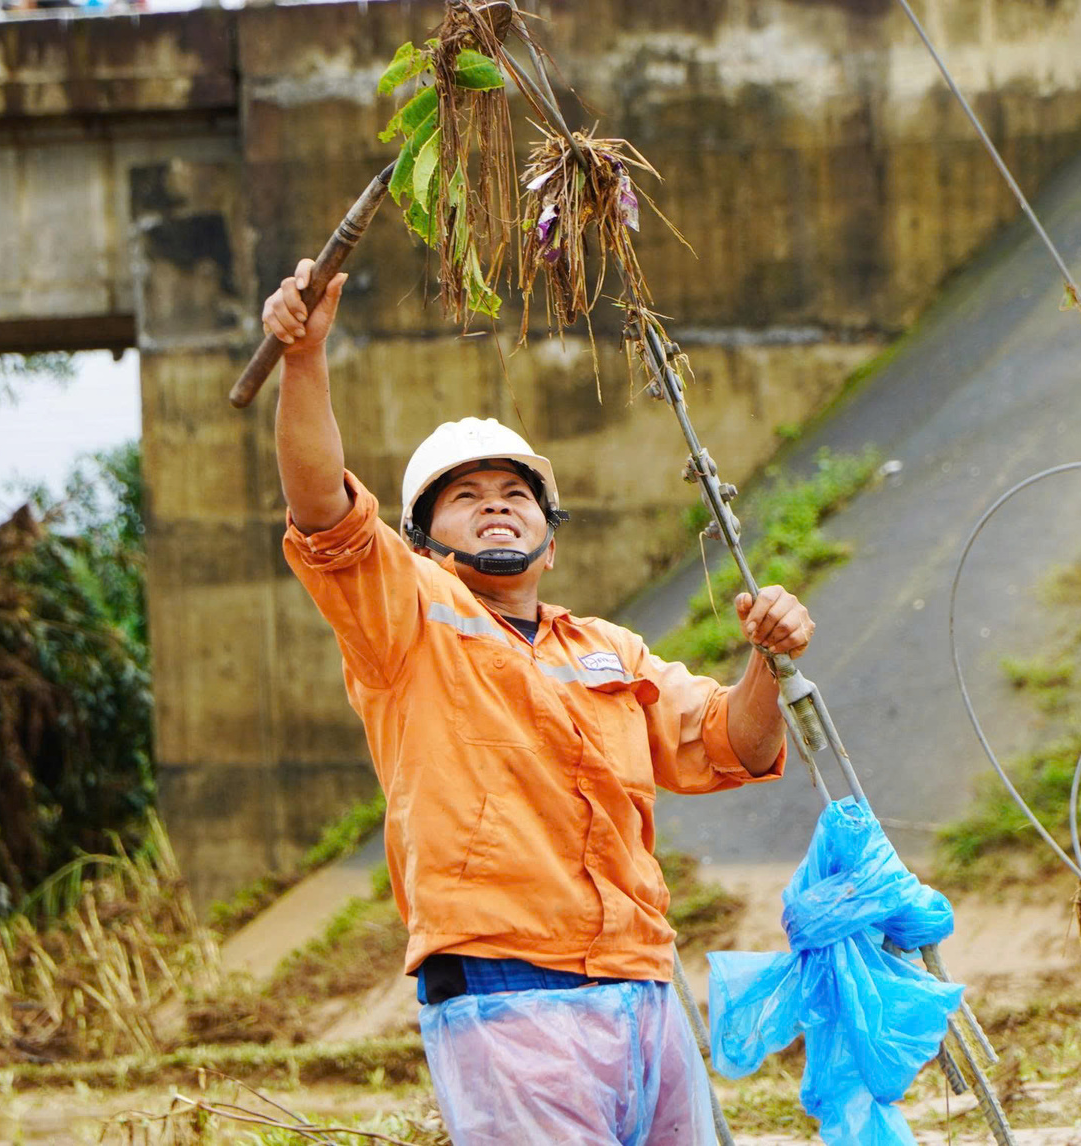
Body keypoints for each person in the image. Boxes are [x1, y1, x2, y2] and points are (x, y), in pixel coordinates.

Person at [263, 259, 816, 1144]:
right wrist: (304, 357)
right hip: (507, 993)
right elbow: (323, 508)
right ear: (422, 540)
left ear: (549, 543)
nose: (496, 508)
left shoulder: (610, 651)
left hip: (645, 988)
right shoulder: (405, 618)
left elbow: (733, 746)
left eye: (516, 495)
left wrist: (767, 660)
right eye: (466, 497)